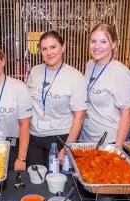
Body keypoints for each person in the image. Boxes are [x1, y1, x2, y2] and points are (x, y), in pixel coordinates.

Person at [26, 30, 87, 166]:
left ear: (63, 47)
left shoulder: (75, 76)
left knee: (58, 182)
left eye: (53, 47)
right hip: (34, 137)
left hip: (60, 138)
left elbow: (80, 116)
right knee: (34, 180)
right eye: (44, 49)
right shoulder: (35, 71)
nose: (49, 52)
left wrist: (67, 147)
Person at [80, 23, 130, 148]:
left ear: (113, 44)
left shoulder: (120, 72)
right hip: (86, 137)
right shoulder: (90, 65)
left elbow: (127, 113)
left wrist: (117, 148)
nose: (97, 46)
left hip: (108, 140)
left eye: (103, 41)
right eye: (93, 41)